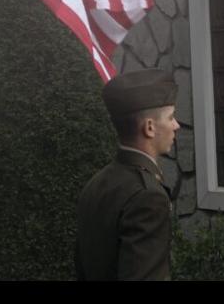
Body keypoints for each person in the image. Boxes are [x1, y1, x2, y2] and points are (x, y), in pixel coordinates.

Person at [74, 68, 179, 281]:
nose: (176, 125)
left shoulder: (97, 183)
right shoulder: (148, 197)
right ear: (149, 127)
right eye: (171, 117)